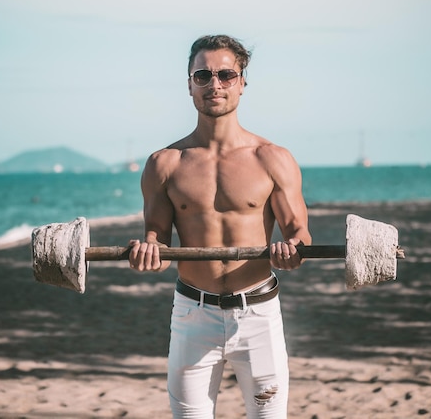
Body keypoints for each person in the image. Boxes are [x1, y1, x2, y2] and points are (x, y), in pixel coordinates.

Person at [128, 34, 312, 418]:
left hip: (258, 312)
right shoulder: (164, 164)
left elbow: (298, 232)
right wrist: (148, 250)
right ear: (189, 84)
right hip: (193, 314)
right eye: (203, 75)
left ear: (243, 83)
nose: (215, 84)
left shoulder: (272, 159)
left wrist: (292, 251)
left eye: (226, 75)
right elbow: (158, 243)